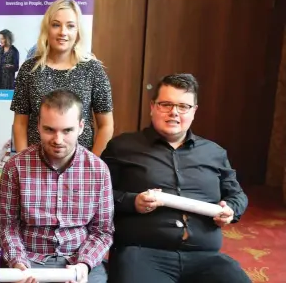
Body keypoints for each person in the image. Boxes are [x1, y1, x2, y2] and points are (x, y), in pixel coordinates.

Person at [101, 73, 250, 283]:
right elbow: (97, 197)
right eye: (166, 104)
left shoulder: (214, 153)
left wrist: (231, 209)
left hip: (205, 257)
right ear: (152, 107)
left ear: (194, 111)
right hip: (144, 253)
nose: (174, 113)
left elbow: (237, 194)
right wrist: (133, 201)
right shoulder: (122, 147)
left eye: (183, 106)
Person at [0, 89, 113, 283]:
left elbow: (102, 230)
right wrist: (18, 263)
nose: (58, 140)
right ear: (38, 127)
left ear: (81, 127)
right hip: (29, 260)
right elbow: (8, 226)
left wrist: (83, 264)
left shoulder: (98, 170)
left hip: (79, 261)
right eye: (49, 129)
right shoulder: (15, 166)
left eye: (67, 130)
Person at [11, 0, 114, 156]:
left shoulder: (93, 69)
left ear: (77, 31)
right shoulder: (29, 69)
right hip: (36, 163)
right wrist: (24, 164)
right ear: (47, 28)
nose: (63, 32)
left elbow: (106, 125)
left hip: (79, 166)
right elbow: (20, 123)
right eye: (56, 25)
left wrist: (91, 164)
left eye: (70, 26)